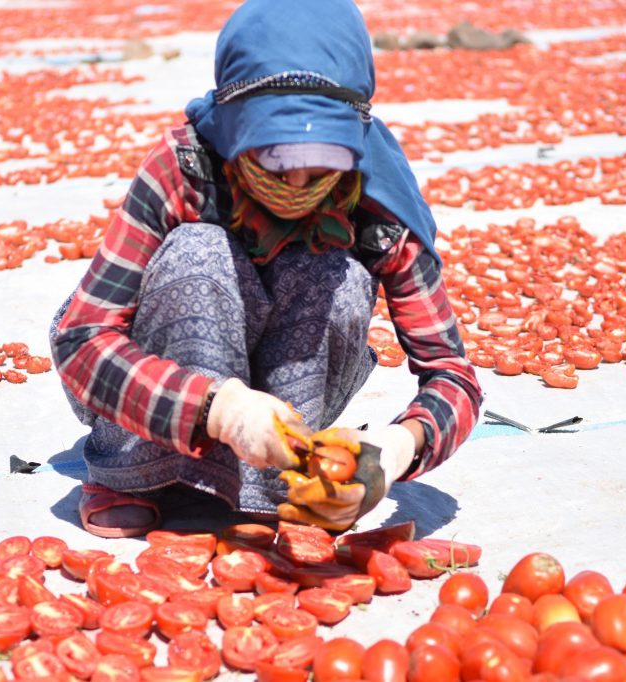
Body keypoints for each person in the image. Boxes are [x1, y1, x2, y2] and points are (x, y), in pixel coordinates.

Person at [49, 0, 483, 538]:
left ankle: (273, 481)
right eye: (274, 156)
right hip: (167, 384)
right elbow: (82, 339)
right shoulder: (185, 167)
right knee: (199, 252)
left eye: (324, 156)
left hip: (284, 388)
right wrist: (221, 410)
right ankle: (134, 473)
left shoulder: (380, 209)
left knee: (339, 277)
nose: (297, 183)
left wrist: (397, 449)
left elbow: (452, 375)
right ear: (234, 128)